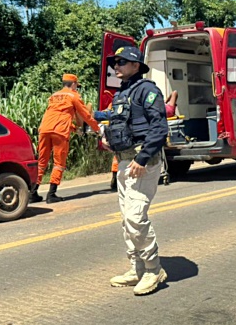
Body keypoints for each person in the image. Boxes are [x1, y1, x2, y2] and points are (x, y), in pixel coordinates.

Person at [100, 46, 169, 296]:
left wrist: (142, 158)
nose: (115, 66)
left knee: (135, 217)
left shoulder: (148, 90)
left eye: (121, 62)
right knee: (126, 219)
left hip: (142, 164)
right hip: (124, 162)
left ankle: (153, 269)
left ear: (136, 65)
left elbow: (159, 128)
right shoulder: (122, 93)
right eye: (114, 63)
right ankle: (136, 267)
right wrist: (109, 140)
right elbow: (120, 124)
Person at [31, 74, 100, 204]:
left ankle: (33, 193)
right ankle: (51, 194)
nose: (77, 88)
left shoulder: (54, 96)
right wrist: (97, 129)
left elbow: (58, 116)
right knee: (59, 163)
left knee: (41, 161)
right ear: (73, 84)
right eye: (77, 86)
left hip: (44, 129)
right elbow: (86, 115)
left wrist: (74, 128)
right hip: (60, 132)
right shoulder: (73, 96)